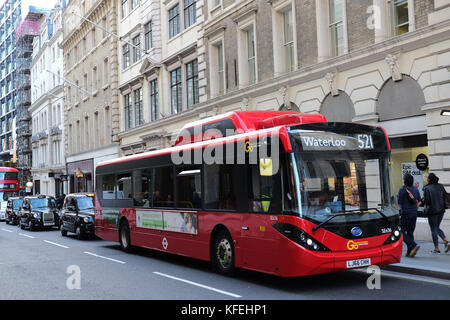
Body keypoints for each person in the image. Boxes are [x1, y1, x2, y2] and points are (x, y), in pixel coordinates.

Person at [423, 173, 450, 253]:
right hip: (441, 211)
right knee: (436, 227)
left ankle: (437, 248)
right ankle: (446, 241)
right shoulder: (440, 186)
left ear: (430, 179)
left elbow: (427, 201)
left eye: (428, 177)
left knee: (434, 229)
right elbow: (445, 196)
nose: (427, 179)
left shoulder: (427, 188)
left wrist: (423, 200)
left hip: (432, 212)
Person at [397, 173, 421, 257]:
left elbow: (399, 203)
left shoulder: (402, 190)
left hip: (406, 213)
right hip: (414, 213)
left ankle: (413, 245)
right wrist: (415, 208)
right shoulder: (415, 189)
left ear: (404, 181)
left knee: (401, 232)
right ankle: (410, 252)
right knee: (410, 232)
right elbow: (419, 201)